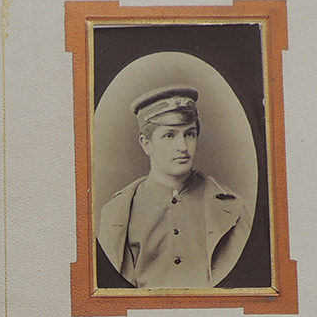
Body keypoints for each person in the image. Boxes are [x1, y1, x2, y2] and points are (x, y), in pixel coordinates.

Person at [95, 85, 250, 289]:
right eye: (169, 135)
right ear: (146, 143)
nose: (183, 147)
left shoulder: (234, 208)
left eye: (189, 134)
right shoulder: (117, 213)